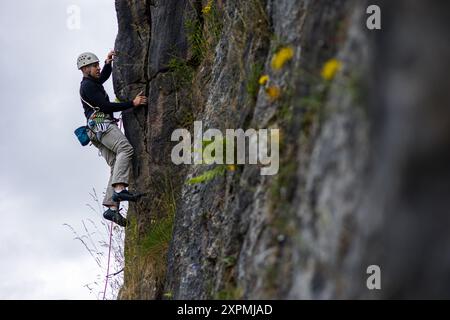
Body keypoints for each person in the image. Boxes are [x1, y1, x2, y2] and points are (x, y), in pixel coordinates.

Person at [77, 51, 147, 227]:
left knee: (116, 162)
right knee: (126, 149)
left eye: (98, 64)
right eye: (95, 66)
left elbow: (102, 79)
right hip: (101, 124)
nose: (98, 68)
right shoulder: (87, 86)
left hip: (94, 129)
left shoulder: (91, 83)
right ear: (85, 68)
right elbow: (106, 106)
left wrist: (108, 64)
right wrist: (132, 103)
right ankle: (120, 189)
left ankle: (111, 208)